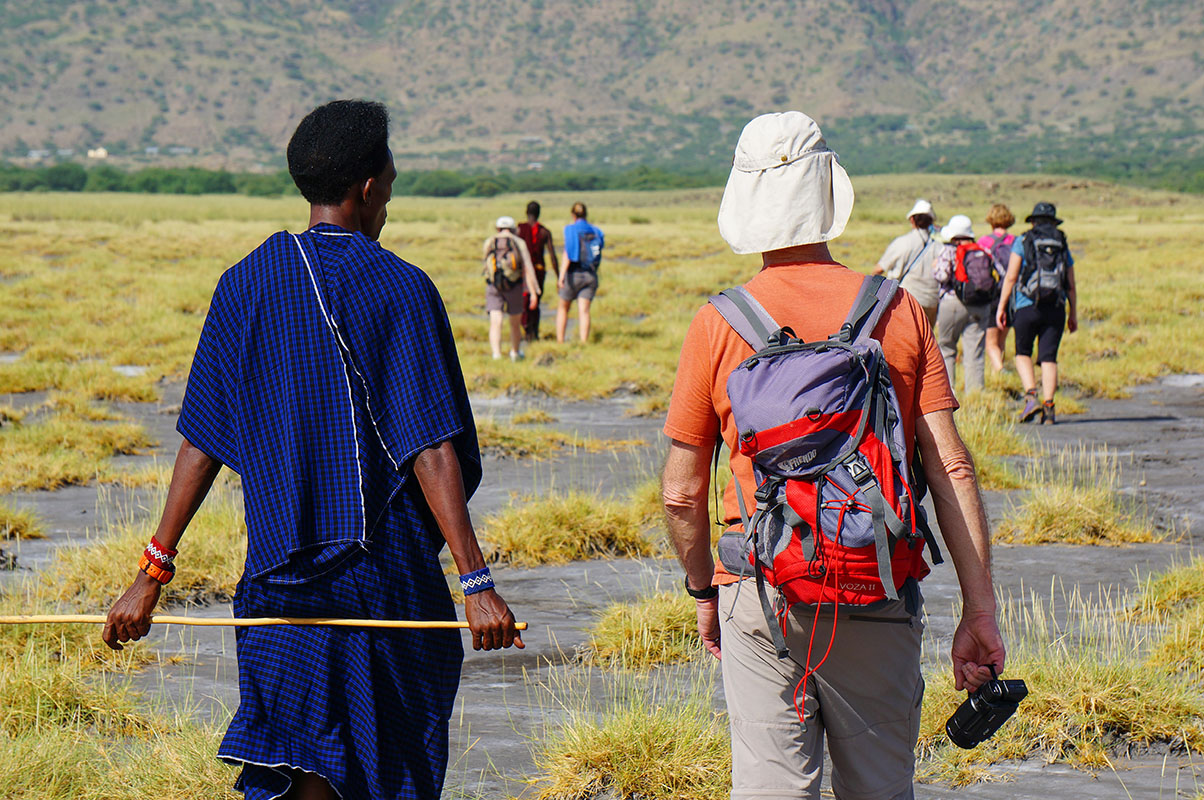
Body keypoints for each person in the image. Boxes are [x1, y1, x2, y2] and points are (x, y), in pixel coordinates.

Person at [102, 100, 524, 800]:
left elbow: (200, 441)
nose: (390, 191)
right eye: (389, 176)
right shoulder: (402, 286)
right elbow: (432, 448)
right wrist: (475, 583)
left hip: (277, 578)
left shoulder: (243, 284)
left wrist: (152, 572)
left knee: (301, 776)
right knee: (389, 767)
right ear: (368, 187)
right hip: (383, 582)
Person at [661, 111, 1005, 800]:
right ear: (825, 198)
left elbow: (679, 492)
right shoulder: (897, 311)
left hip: (761, 592)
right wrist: (979, 608)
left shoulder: (717, 323)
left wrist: (705, 589)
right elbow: (951, 469)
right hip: (875, 584)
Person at [995, 201, 1078, 425]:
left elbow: (1011, 277)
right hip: (1056, 307)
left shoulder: (1023, 241)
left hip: (1026, 306)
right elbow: (1070, 282)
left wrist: (1002, 307)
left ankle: (1032, 396)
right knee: (1049, 357)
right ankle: (1049, 408)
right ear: (1053, 222)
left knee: (1023, 352)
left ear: (1032, 221)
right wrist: (1073, 313)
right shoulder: (1061, 242)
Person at [933, 214, 994, 395]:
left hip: (952, 304)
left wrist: (935, 266)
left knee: (947, 348)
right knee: (975, 352)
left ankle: (948, 395)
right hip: (979, 305)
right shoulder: (982, 250)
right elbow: (999, 272)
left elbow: (942, 275)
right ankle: (975, 394)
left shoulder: (948, 250)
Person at [874, 198, 940, 326]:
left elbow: (879, 269)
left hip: (906, 301)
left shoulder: (902, 242)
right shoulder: (939, 246)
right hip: (931, 302)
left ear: (912, 219)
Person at [483, 215, 540, 361]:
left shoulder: (490, 241)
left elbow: (486, 266)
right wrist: (534, 291)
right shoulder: (518, 242)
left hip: (493, 285)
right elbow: (528, 267)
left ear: (498, 228)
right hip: (514, 285)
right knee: (515, 321)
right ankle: (515, 352)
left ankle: (496, 354)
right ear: (514, 229)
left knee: (496, 321)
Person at [556, 201, 604, 344]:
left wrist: (561, 276)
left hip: (573, 273)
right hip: (590, 273)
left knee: (563, 307)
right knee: (584, 310)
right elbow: (597, 251)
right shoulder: (596, 232)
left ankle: (560, 341)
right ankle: (584, 341)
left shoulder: (570, 230)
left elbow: (568, 254)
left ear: (573, 215)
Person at [978, 204, 1016, 374]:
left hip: (993, 294)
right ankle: (998, 373)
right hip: (1012, 293)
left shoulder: (984, 242)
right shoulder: (1016, 241)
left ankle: (1000, 371)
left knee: (990, 341)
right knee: (1002, 340)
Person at [517, 200, 559, 341]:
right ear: (539, 213)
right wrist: (559, 276)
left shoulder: (519, 229)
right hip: (539, 271)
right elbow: (553, 256)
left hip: (522, 272)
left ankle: (527, 330)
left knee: (524, 301)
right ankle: (533, 331)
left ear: (526, 212)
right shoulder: (544, 232)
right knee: (536, 301)